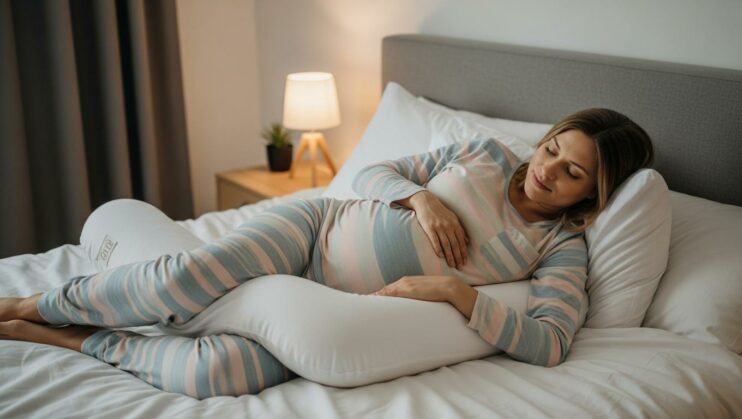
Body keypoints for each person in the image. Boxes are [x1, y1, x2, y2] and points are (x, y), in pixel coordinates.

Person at [0, 108, 654, 399]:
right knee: (187, 278)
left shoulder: (562, 247)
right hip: (315, 229)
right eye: (553, 149)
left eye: (573, 173)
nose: (548, 171)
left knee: (219, 374)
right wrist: (420, 200)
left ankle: (80, 340)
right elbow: (372, 173)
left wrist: (462, 294)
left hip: (322, 303)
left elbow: (551, 342)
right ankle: (34, 302)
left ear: (590, 194)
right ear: (542, 140)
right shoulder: (481, 154)